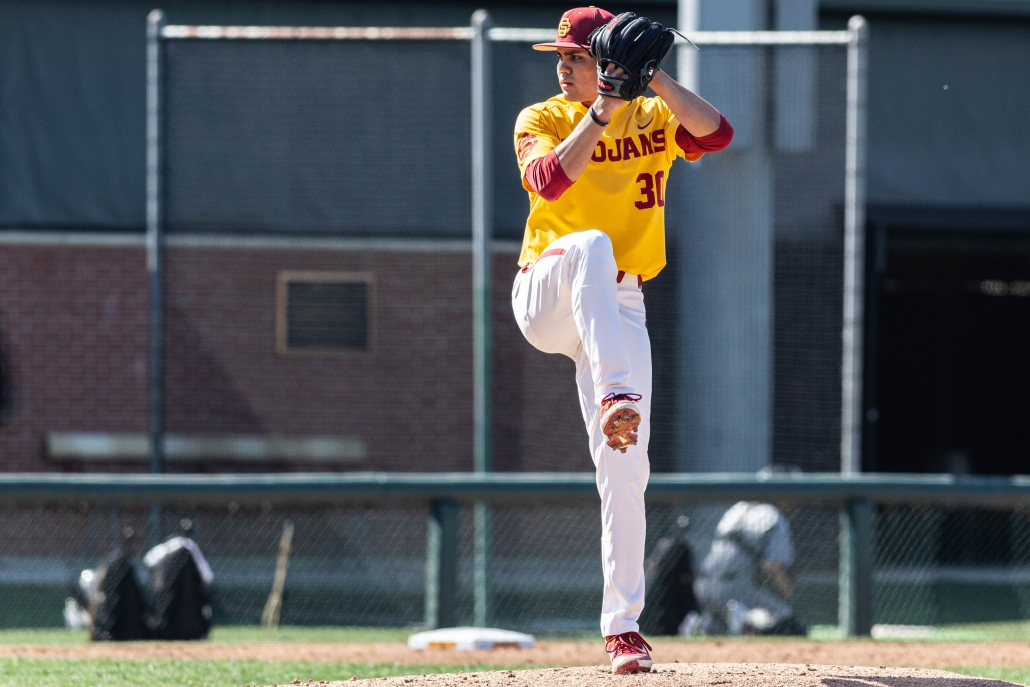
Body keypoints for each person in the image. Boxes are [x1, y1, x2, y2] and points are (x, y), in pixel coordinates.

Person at [510, 6, 733, 674]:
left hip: (620, 302)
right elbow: (547, 181)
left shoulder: (651, 114)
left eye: (575, 57)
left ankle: (622, 629)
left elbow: (717, 134)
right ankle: (615, 392)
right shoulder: (541, 116)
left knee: (627, 470)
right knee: (592, 246)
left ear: (610, 63)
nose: (562, 66)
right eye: (565, 57)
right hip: (547, 290)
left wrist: (654, 78)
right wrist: (603, 104)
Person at [694, 499, 807, 636]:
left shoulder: (738, 508)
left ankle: (710, 623)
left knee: (716, 631)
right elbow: (771, 567)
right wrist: (786, 595)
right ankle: (745, 621)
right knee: (788, 620)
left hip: (702, 587)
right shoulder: (774, 515)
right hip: (735, 588)